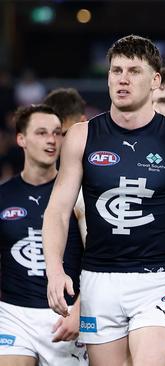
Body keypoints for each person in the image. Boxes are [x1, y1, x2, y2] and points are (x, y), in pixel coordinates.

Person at [42, 35, 165, 366]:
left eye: (133, 71)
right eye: (116, 70)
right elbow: (57, 212)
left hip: (157, 280)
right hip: (98, 281)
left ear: (155, 80)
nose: (122, 79)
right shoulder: (82, 136)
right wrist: (55, 271)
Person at [0, 105, 87, 365]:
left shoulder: (79, 193)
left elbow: (99, 258)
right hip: (13, 315)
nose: (51, 140)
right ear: (21, 139)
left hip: (66, 314)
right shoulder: (3, 195)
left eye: (57, 133)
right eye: (41, 133)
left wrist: (80, 311)